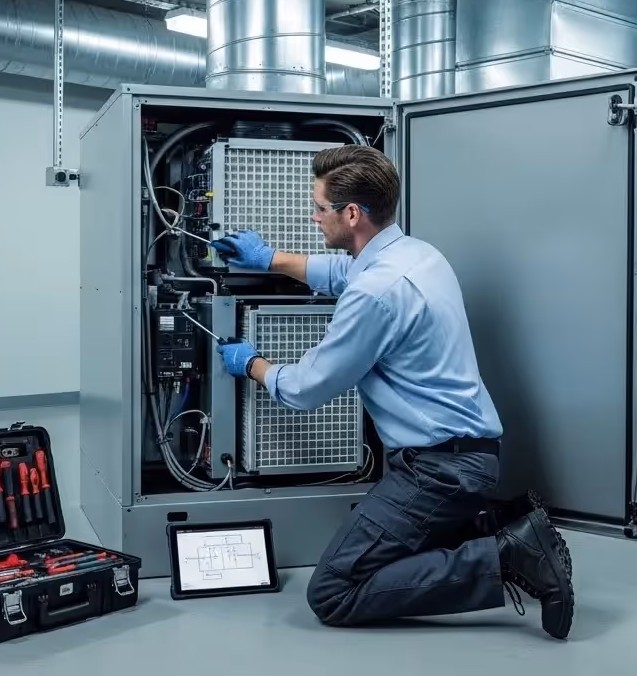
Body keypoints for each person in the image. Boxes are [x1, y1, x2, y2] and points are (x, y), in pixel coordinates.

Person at [210, 145, 574, 640]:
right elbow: (342, 273)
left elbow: (308, 388)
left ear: (351, 214)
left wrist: (252, 364)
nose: (314, 217)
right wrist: (270, 258)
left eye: (320, 208)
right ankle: (502, 522)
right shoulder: (418, 255)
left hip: (438, 473)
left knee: (332, 592)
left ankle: (508, 555)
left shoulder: (376, 293)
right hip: (470, 457)